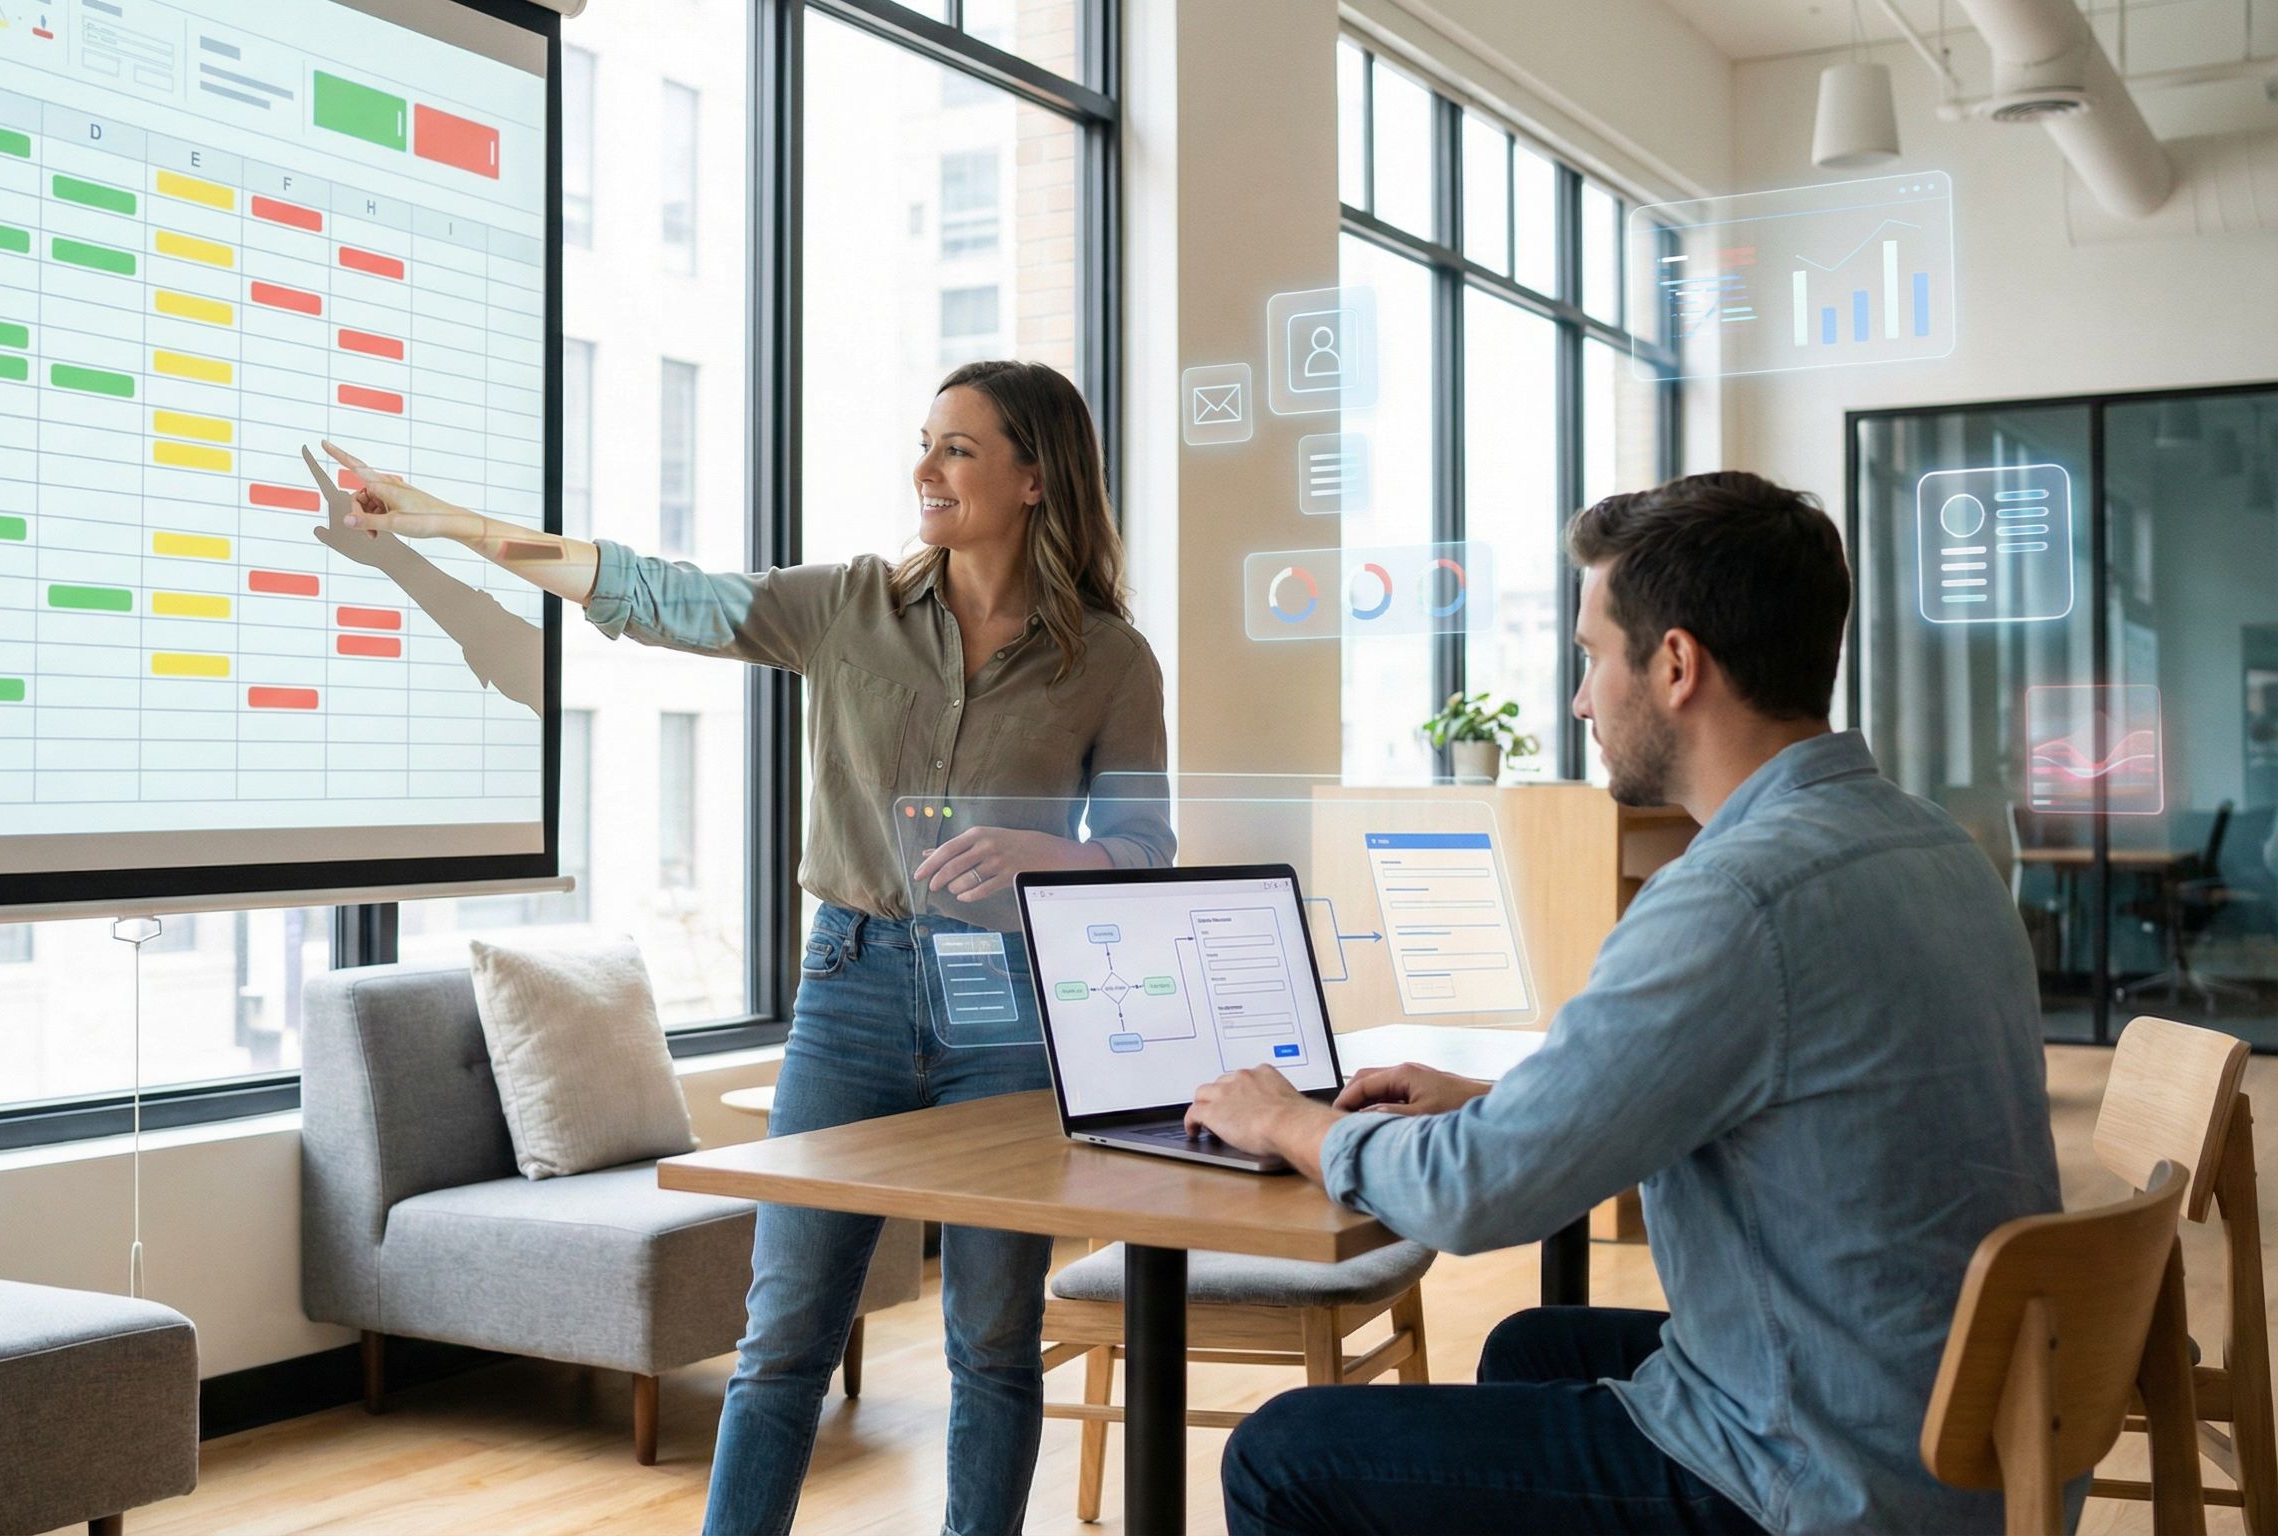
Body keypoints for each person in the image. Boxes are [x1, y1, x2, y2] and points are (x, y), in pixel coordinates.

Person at [315, 359, 1172, 1536]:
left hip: (1008, 1011)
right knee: (783, 1336)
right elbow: (655, 593)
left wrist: (1046, 857)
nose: (924, 469)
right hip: (851, 989)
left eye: (958, 449)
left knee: (991, 1339)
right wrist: (450, 523)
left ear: (1035, 479)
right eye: (925, 441)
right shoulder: (851, 605)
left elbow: (1143, 849)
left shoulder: (1110, 661)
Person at [1184, 471, 2063, 1536]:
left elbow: (1478, 1196)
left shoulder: (1734, 897)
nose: (1580, 700)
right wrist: (1499, 1103)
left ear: (1677, 666)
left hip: (1821, 1480)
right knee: (1532, 1347)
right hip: (1965, 1431)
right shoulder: (1932, 845)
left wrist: (1288, 1121)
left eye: (1591, 656)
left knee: (1282, 1456)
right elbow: (1790, 1103)